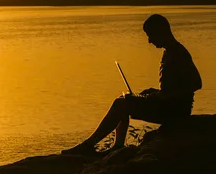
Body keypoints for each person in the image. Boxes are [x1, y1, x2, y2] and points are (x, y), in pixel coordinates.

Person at [62, 14, 202, 155]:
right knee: (125, 98)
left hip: (175, 111)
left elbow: (196, 83)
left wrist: (164, 96)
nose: (149, 41)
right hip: (168, 105)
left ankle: (89, 145)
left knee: (122, 104)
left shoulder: (178, 53)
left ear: (160, 31)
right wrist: (155, 92)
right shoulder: (169, 51)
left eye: (150, 35)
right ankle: (117, 146)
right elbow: (175, 86)